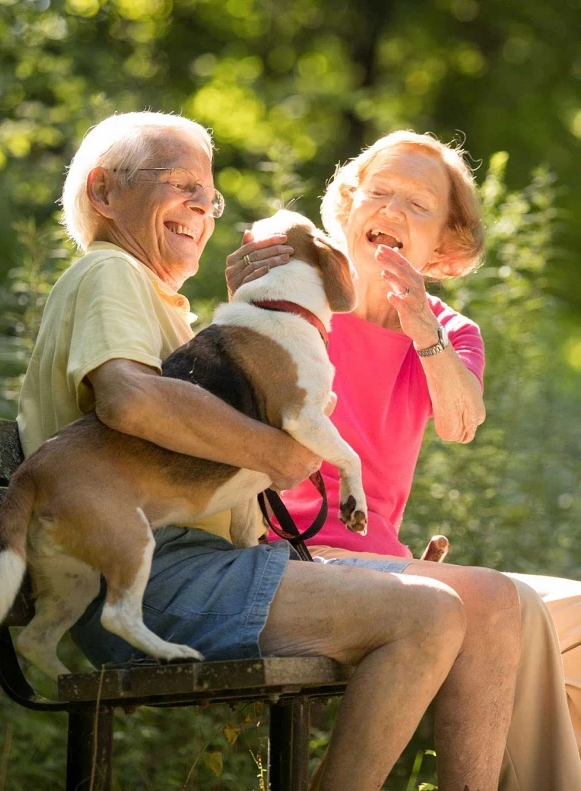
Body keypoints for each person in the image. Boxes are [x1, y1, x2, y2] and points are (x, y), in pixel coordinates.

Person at [17, 111, 522, 791]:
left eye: (208, 192)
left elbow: (187, 409)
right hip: (153, 574)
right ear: (105, 195)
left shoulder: (163, 302)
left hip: (196, 562)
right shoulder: (112, 275)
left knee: (461, 607)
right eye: (180, 183)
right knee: (432, 613)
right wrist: (280, 451)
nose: (201, 204)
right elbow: (131, 401)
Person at [226, 130, 581, 790]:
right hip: (292, 554)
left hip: (381, 563)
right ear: (349, 209)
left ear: (444, 248)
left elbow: (460, 419)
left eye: (417, 204)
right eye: (378, 193)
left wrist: (421, 325)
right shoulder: (302, 296)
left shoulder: (449, 332)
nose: (390, 211)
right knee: (500, 600)